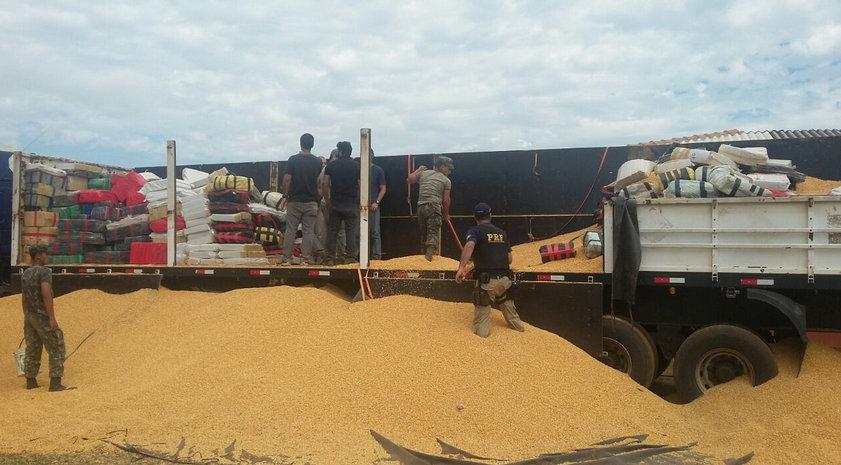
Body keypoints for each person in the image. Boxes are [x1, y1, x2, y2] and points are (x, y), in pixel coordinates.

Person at [455, 203, 525, 338]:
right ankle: (522, 334)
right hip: (505, 282)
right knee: (513, 318)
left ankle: (482, 345)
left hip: (487, 283)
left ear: (475, 217)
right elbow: (510, 259)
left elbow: (470, 245)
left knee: (482, 327)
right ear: (490, 215)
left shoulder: (475, 231)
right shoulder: (502, 233)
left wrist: (462, 268)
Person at [21, 245, 68, 391]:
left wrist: (27, 315)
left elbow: (23, 297)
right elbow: (46, 293)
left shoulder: (26, 273)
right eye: (46, 254)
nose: (48, 257)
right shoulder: (45, 272)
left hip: (30, 316)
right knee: (56, 345)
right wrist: (51, 317)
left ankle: (31, 381)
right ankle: (55, 383)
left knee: (33, 347)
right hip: (42, 315)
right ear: (39, 256)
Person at [281, 133, 322, 265]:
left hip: (295, 201)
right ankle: (305, 259)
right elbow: (319, 182)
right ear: (312, 145)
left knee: (291, 230)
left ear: (300, 143)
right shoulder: (317, 161)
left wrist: (285, 195)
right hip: (311, 202)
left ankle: (287, 258)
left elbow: (287, 179)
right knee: (308, 231)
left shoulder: (293, 160)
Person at [407, 156, 453, 261]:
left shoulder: (424, 173)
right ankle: (429, 259)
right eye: (448, 168)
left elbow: (409, 180)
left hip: (421, 207)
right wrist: (446, 215)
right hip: (433, 207)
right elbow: (446, 200)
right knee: (432, 233)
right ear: (442, 166)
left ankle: (423, 258)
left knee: (424, 234)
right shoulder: (446, 180)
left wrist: (418, 170)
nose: (449, 171)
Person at [323, 141, 360, 265]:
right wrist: (359, 200)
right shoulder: (356, 166)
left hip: (336, 204)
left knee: (333, 231)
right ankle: (350, 257)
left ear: (340, 151)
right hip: (351, 203)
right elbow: (361, 184)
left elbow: (325, 184)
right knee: (351, 232)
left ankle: (329, 258)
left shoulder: (331, 166)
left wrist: (327, 200)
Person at [368, 148, 387, 260]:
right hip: (359, 206)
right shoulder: (358, 169)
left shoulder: (378, 170)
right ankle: (358, 255)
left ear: (372, 156)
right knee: (357, 233)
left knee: (375, 232)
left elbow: (383, 188)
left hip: (373, 206)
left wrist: (377, 202)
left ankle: (376, 256)